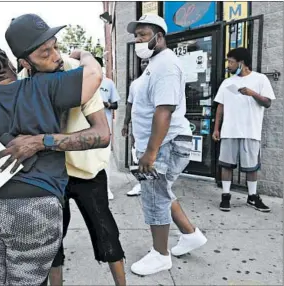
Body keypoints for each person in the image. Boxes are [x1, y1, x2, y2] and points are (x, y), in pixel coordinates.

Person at [0, 14, 105, 286]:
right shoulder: (44, 86)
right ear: (13, 62)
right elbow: (94, 76)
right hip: (34, 205)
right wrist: (84, 53)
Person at [126, 14, 207, 276]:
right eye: (136, 36)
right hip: (161, 143)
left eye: (143, 35)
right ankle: (190, 234)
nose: (138, 40)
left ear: (159, 37)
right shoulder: (154, 64)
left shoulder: (166, 65)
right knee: (161, 191)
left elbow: (165, 110)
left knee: (154, 197)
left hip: (166, 143)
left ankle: (161, 255)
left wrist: (150, 152)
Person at [213, 47, 275, 212]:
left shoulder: (260, 79)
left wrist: (252, 93)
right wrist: (216, 128)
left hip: (251, 131)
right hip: (229, 130)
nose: (228, 65)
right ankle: (225, 196)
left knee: (251, 167)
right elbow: (220, 106)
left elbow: (268, 103)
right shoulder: (227, 82)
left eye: (231, 62)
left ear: (241, 63)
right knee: (226, 165)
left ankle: (252, 197)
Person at [94, 56, 120, 200]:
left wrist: (107, 105)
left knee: (105, 160)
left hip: (105, 129)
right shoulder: (84, 82)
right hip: (88, 129)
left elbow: (116, 104)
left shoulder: (108, 83)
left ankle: (107, 188)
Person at [122, 58, 149, 196]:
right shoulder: (135, 84)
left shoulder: (159, 81)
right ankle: (141, 184)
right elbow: (129, 104)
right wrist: (126, 123)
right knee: (137, 156)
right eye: (143, 62)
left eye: (148, 61)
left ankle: (153, 185)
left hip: (154, 128)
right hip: (138, 128)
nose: (145, 64)